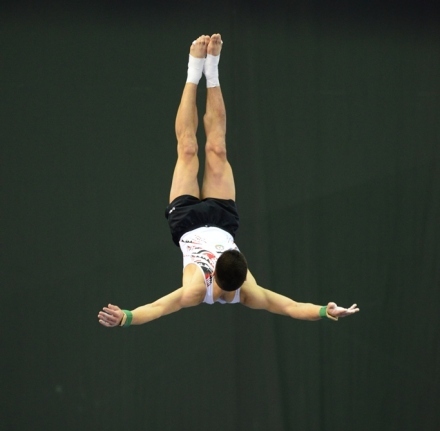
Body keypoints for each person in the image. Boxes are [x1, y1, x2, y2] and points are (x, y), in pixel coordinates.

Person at [98, 34, 359, 329]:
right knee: (217, 148)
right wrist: (325, 310)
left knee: (187, 149)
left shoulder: (197, 290)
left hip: (186, 223)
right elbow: (290, 306)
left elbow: (159, 307)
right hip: (223, 221)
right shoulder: (249, 290)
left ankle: (194, 70)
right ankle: (212, 72)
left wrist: (126, 317)